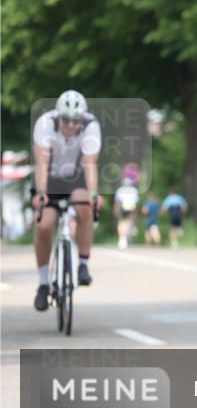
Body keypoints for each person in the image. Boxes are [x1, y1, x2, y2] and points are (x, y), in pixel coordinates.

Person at [31, 90, 103, 311]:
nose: (71, 125)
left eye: (75, 120)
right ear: (58, 115)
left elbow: (90, 164)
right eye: (66, 120)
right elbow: (41, 163)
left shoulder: (91, 125)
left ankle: (83, 263)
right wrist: (41, 192)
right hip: (49, 179)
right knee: (44, 225)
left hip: (76, 178)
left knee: (84, 206)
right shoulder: (45, 124)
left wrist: (93, 195)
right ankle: (43, 283)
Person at [113, 177, 140, 249]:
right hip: (131, 207)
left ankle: (122, 238)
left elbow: (117, 202)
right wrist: (136, 213)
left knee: (121, 223)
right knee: (129, 222)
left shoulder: (120, 190)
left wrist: (116, 210)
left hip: (123, 207)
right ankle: (129, 233)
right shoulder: (134, 190)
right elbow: (136, 202)